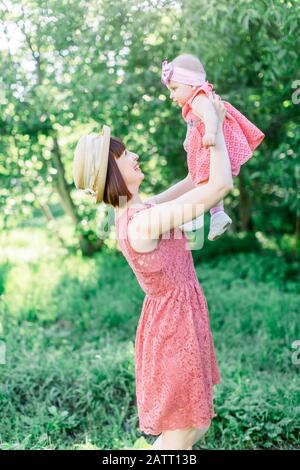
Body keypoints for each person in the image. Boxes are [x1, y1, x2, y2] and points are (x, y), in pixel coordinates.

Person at [72, 94, 233, 450]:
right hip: (173, 329)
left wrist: (201, 126)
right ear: (113, 171)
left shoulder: (144, 209)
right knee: (183, 432)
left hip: (178, 320)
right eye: (124, 153)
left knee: (194, 427)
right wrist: (217, 132)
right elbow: (218, 187)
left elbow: (196, 179)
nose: (134, 156)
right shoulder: (143, 222)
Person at [161, 53, 265, 240]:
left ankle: (199, 216)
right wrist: (188, 138)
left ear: (191, 84)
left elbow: (209, 115)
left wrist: (210, 133)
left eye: (174, 88)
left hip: (210, 143)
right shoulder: (192, 102)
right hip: (206, 144)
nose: (171, 95)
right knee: (204, 180)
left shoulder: (199, 99)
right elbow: (192, 124)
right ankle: (215, 214)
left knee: (203, 181)